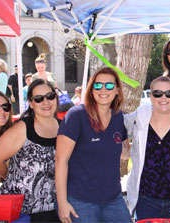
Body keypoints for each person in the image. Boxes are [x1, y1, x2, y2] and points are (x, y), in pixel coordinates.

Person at [55, 67, 131, 223]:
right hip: (81, 200)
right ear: (91, 89)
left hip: (113, 198)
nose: (103, 89)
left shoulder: (120, 118)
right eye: (98, 85)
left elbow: (125, 153)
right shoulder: (76, 116)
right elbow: (60, 161)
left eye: (109, 85)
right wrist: (62, 202)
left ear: (117, 90)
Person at [124, 76, 170, 220]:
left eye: (169, 93)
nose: (163, 97)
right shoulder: (138, 117)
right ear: (151, 96)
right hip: (146, 200)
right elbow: (115, 128)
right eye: (158, 93)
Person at [0, 79, 60, 222]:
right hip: (19, 212)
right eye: (38, 99)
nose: (46, 102)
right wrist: (9, 176)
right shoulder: (23, 128)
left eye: (50, 96)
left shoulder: (64, 127)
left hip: (52, 210)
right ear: (31, 104)